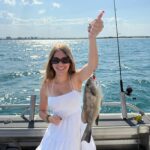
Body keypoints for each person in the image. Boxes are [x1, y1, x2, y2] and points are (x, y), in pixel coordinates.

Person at [36, 11, 104, 150]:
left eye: (64, 59)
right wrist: (49, 118)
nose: (60, 64)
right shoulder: (46, 85)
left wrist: (92, 37)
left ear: (70, 61)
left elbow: (92, 66)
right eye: (56, 60)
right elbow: (41, 111)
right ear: (50, 62)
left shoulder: (76, 79)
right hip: (56, 132)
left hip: (78, 130)